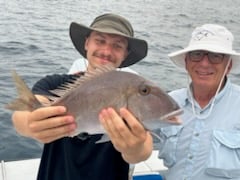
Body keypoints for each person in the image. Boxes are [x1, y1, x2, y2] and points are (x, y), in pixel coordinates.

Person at [11, 13, 153, 180]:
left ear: (125, 54)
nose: (106, 51)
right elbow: (22, 116)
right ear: (87, 43)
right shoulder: (55, 84)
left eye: (117, 46)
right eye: (100, 41)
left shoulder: (133, 95)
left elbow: (143, 149)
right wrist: (31, 123)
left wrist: (134, 148)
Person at [155, 24, 240, 180]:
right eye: (197, 54)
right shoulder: (167, 103)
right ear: (187, 62)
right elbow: (142, 145)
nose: (204, 63)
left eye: (216, 55)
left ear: (228, 66)